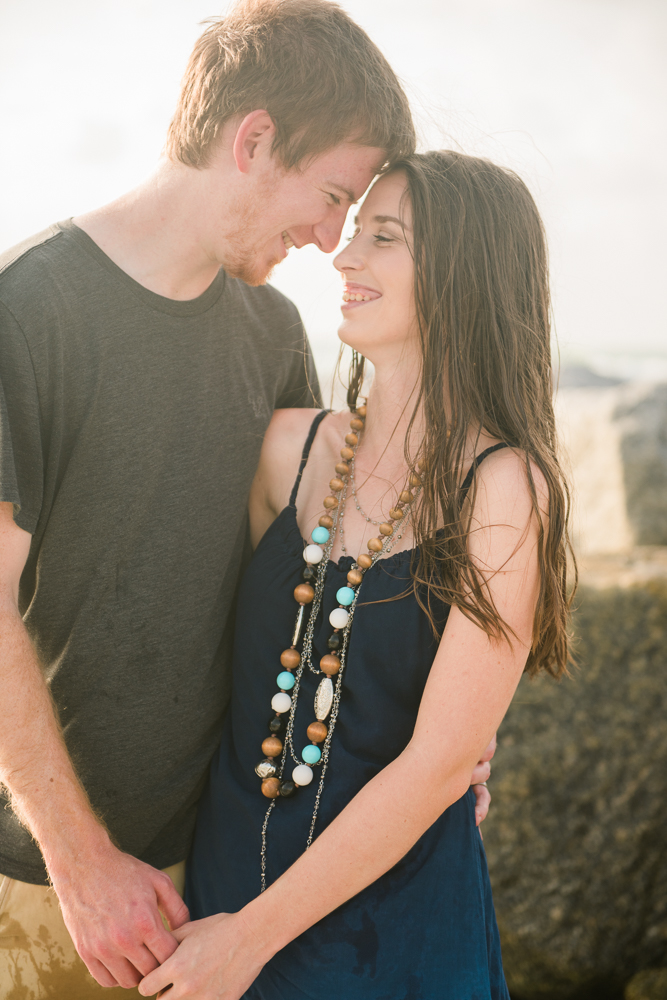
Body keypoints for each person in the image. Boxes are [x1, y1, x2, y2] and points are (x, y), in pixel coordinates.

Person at [0, 3, 491, 997]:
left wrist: (444, 730)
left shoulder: (270, 333)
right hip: (56, 885)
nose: (327, 239)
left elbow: (320, 578)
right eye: (329, 197)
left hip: (236, 876)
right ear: (254, 140)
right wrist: (83, 864)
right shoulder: (28, 309)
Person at [137, 150, 574, 1000]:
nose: (342, 255)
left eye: (383, 236)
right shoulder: (286, 453)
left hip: (394, 938)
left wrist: (246, 943)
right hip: (218, 902)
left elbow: (441, 763)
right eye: (352, 229)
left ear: (462, 271)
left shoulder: (504, 486)